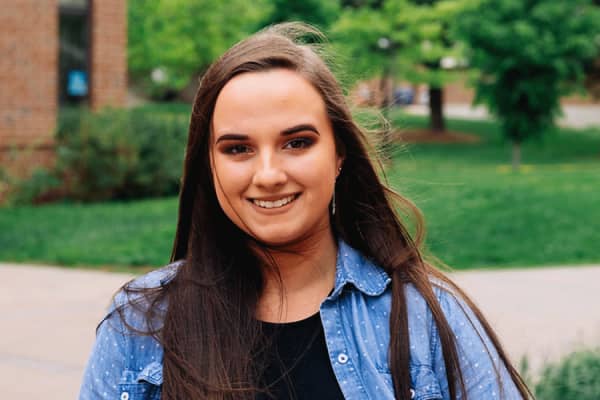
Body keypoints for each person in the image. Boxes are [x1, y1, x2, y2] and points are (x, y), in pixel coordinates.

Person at [79, 23, 532, 400]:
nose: (269, 173)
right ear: (209, 167)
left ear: (339, 155)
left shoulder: (427, 320)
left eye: (297, 142)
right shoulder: (140, 324)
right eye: (238, 148)